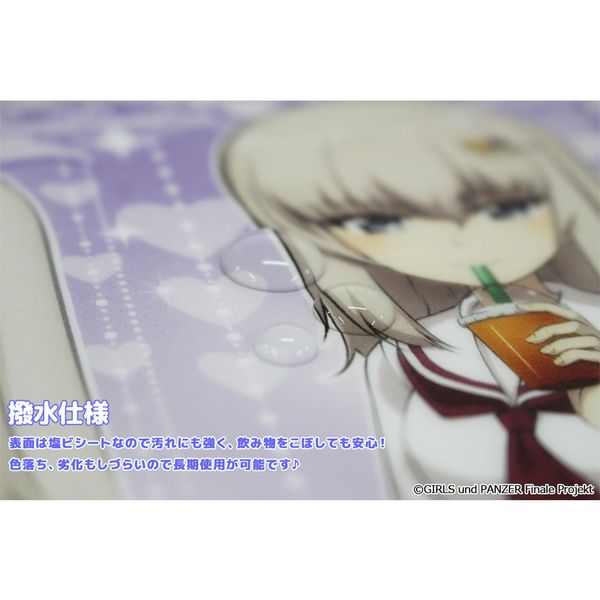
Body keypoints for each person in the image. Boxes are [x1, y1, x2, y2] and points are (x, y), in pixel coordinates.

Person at [219, 102, 600, 499]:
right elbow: (403, 477)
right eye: (377, 222)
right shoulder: (405, 355)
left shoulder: (590, 322)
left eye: (507, 207)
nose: (462, 240)